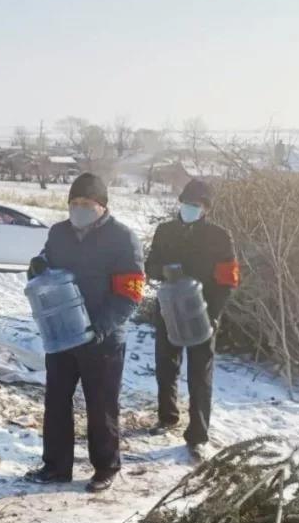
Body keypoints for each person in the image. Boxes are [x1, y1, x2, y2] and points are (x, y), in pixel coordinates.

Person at [24, 172, 145, 492]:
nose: (78, 209)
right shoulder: (59, 232)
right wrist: (37, 265)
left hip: (102, 337)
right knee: (57, 401)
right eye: (74, 203)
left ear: (102, 206)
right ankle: (56, 466)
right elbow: (45, 262)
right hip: (62, 334)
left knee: (101, 404)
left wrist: (100, 327)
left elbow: (130, 293)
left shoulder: (122, 238)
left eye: (86, 203)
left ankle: (105, 466)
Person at [144, 178, 240, 462]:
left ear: (206, 209)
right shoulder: (165, 231)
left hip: (203, 312)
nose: (190, 208)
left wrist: (212, 316)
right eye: (187, 203)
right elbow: (150, 264)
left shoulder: (220, 237)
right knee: (166, 365)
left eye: (196, 205)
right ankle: (167, 417)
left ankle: (197, 435)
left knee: (200, 375)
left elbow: (228, 280)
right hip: (169, 309)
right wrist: (162, 270)